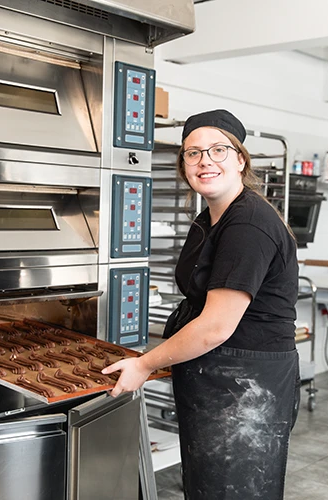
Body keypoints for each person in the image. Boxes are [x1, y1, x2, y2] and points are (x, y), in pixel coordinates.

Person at [103, 109, 300, 499]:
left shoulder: (247, 225)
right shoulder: (211, 218)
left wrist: (145, 363)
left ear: (241, 159)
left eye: (218, 150)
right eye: (193, 153)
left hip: (244, 386)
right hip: (219, 379)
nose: (204, 160)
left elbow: (215, 327)